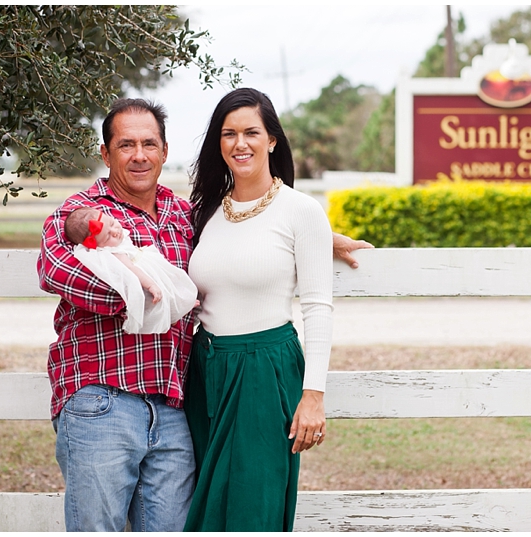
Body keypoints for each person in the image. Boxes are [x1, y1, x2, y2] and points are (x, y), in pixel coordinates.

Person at [37, 97, 372, 533]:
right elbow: (54, 269)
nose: (140, 155)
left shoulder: (184, 214)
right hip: (110, 400)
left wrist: (320, 236)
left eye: (149, 144)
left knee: (219, 518)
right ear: (105, 153)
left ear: (164, 150)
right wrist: (140, 292)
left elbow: (265, 241)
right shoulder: (82, 213)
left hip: (183, 402)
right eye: (125, 145)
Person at [182, 88, 333, 532]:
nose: (239, 143)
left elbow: (319, 307)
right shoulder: (204, 211)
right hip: (205, 371)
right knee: (203, 508)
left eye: (251, 132)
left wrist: (314, 395)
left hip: (265, 371)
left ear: (272, 141)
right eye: (228, 134)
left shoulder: (302, 211)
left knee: (253, 509)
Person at [64, 207, 198, 334]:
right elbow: (131, 268)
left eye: (111, 223)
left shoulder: (117, 239)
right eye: (107, 237)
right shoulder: (114, 253)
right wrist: (151, 284)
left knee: (170, 282)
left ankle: (177, 309)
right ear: (97, 245)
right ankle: (177, 310)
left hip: (148, 264)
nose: (115, 231)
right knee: (162, 290)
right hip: (144, 276)